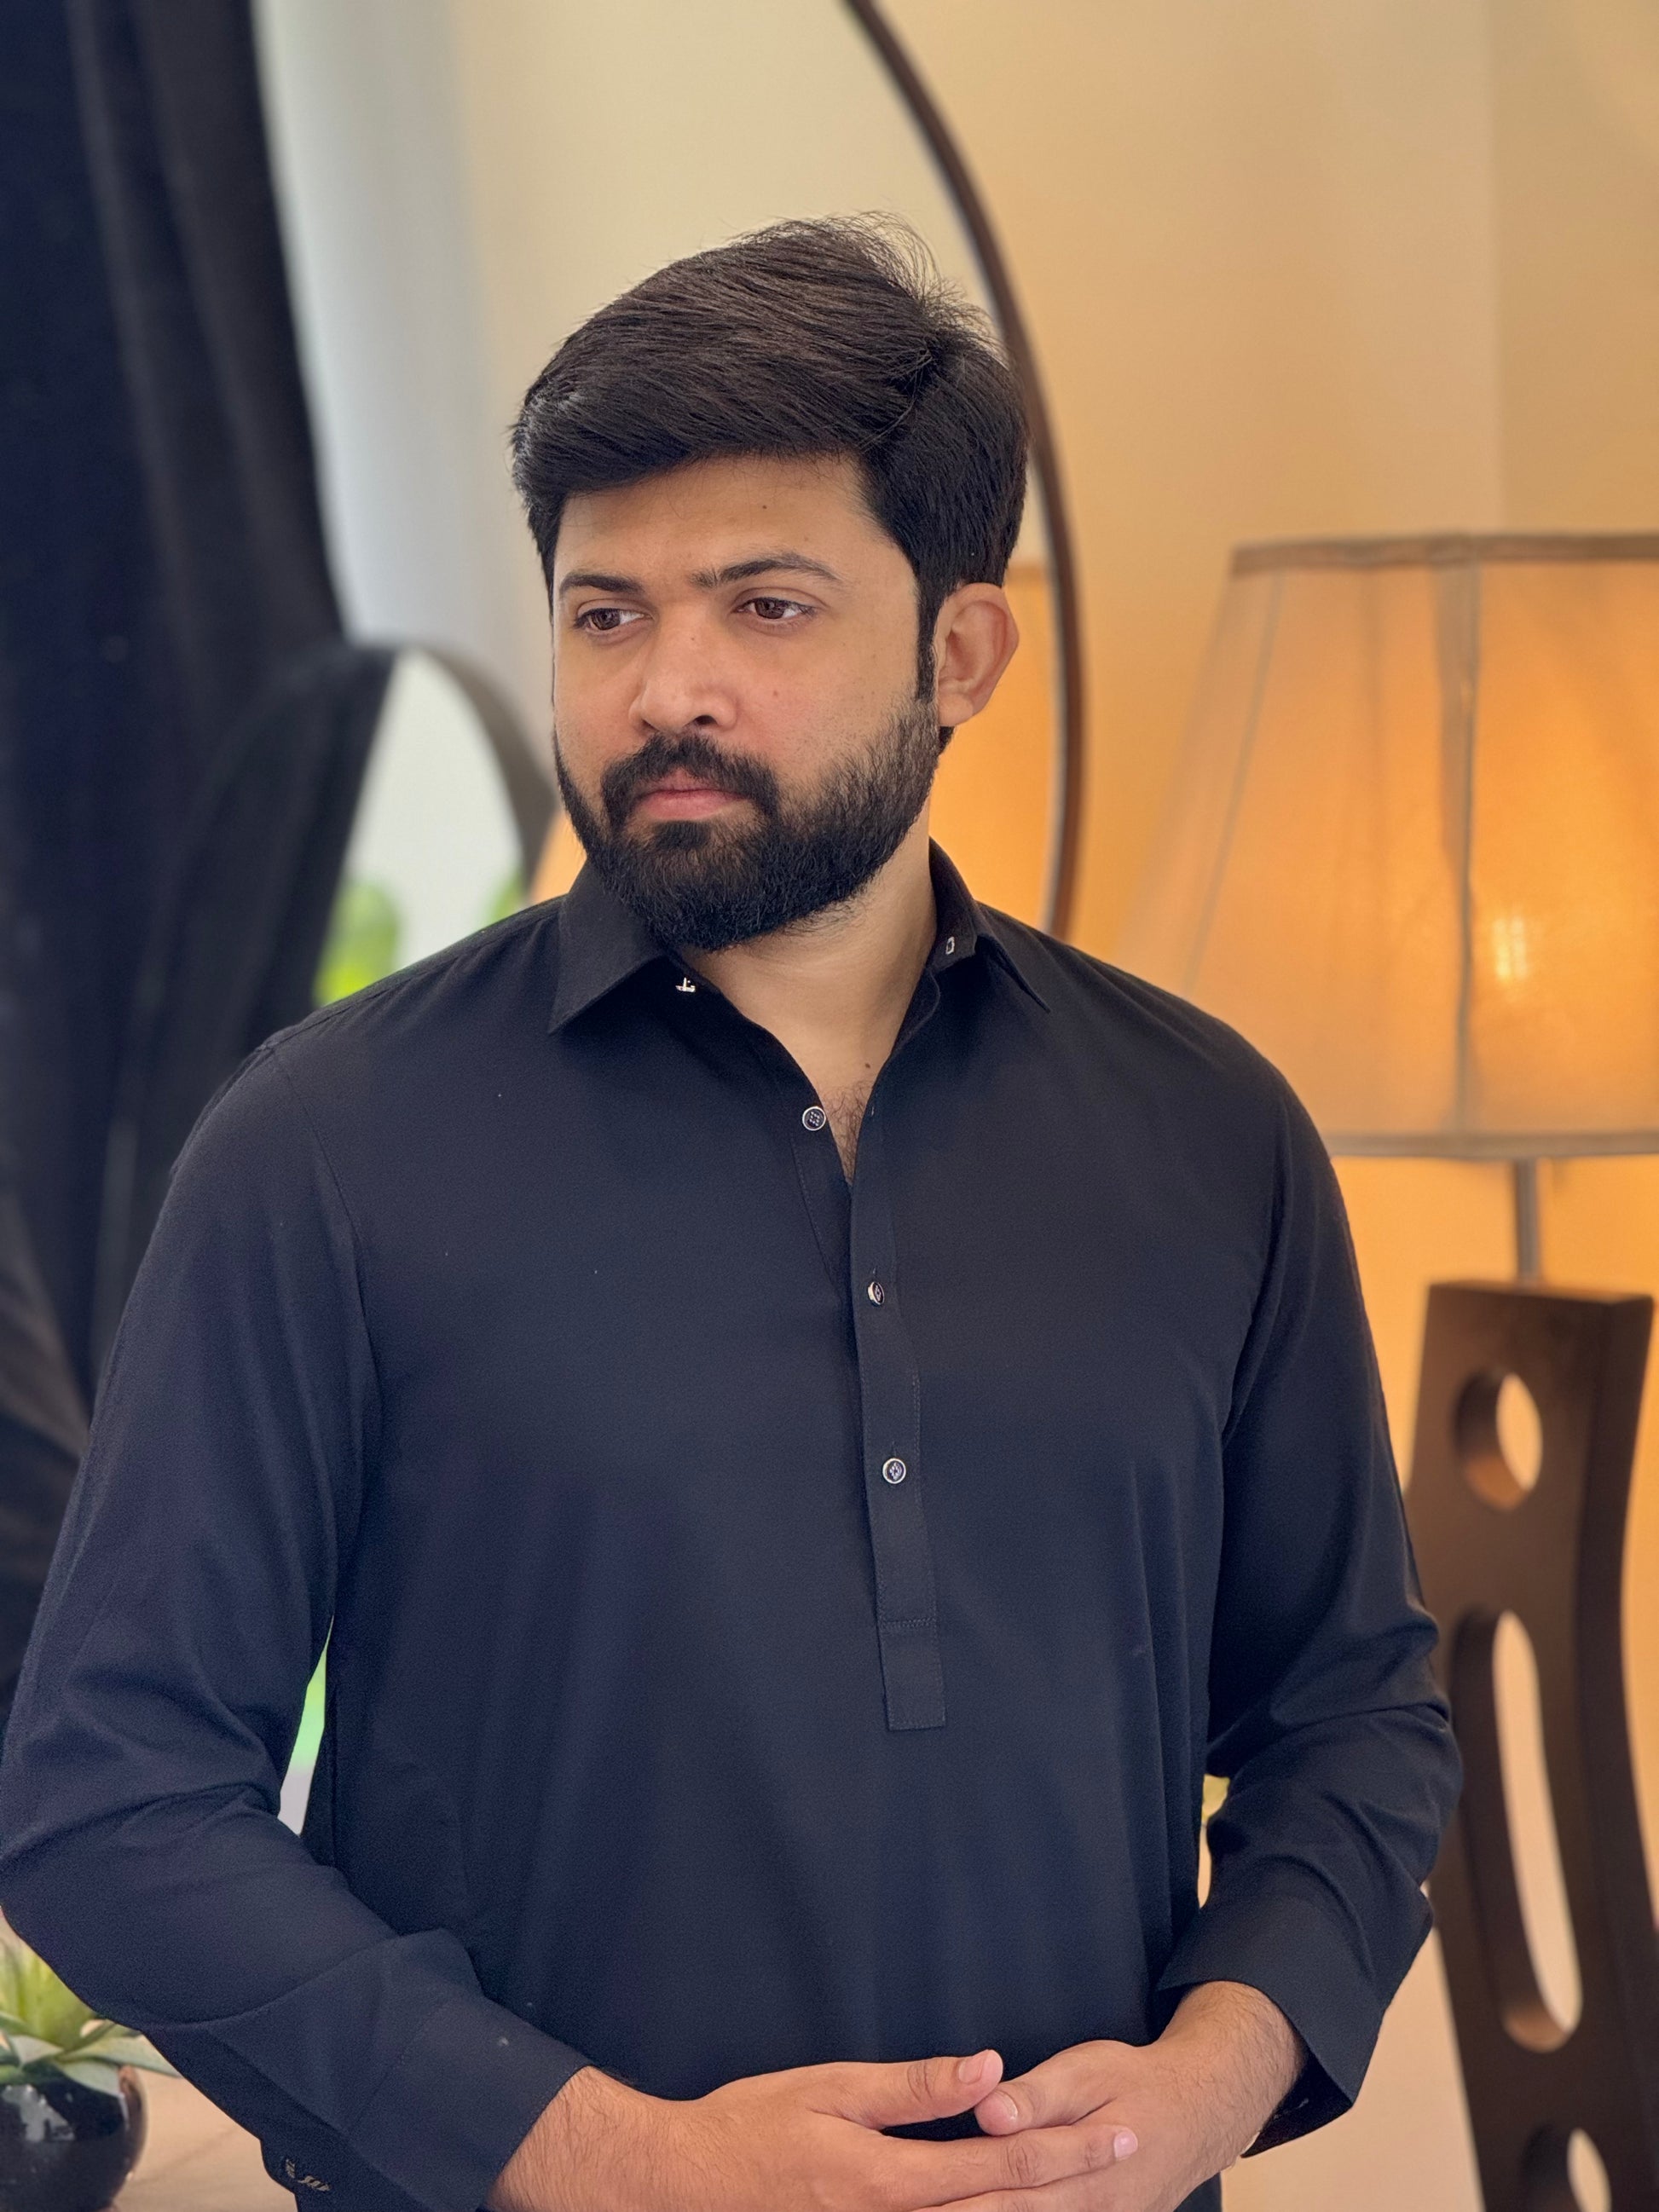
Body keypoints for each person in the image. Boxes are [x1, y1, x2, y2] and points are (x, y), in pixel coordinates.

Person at [0, 219, 1460, 2212]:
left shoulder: (1212, 1134)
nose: (666, 688)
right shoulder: (319, 1149)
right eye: (604, 614)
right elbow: (111, 1795)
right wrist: (603, 2153)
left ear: (960, 650)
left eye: (765, 606)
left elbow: (1354, 1716)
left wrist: (1209, 2084)